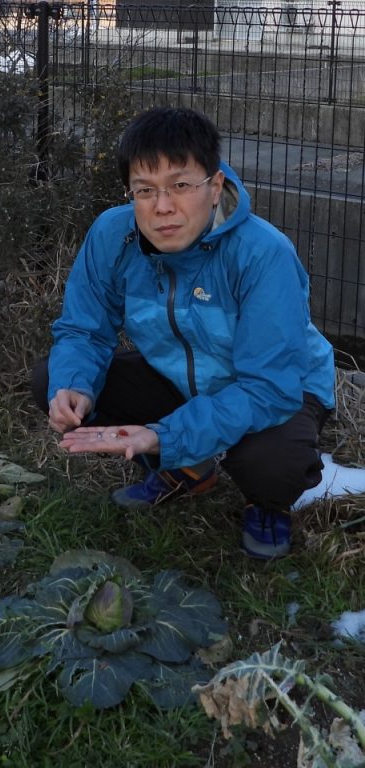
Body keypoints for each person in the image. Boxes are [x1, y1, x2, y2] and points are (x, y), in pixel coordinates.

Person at [31, 106, 335, 560]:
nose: (163, 207)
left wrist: (163, 435)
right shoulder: (113, 235)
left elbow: (268, 386)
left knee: (273, 463)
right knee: (50, 380)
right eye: (145, 190)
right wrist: (74, 385)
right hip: (179, 377)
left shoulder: (262, 253)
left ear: (214, 186)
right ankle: (191, 470)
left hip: (281, 388)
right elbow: (84, 329)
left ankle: (266, 502)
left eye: (181, 185)